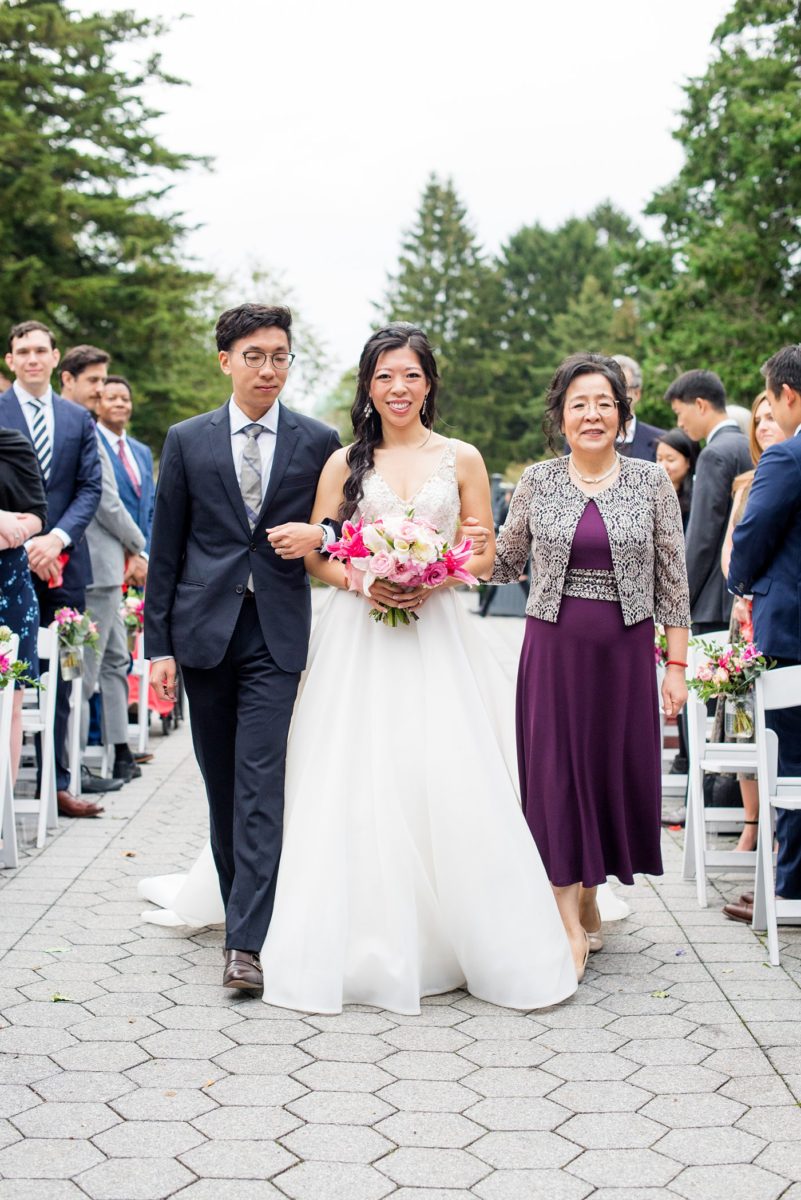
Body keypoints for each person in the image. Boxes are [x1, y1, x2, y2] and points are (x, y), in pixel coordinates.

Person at [141, 323, 577, 1012]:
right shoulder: (343, 460)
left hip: (437, 634)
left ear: (428, 382)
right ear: (367, 386)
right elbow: (319, 550)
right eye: (383, 376)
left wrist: (436, 574)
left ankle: (462, 925)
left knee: (444, 772)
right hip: (357, 631)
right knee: (344, 773)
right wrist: (362, 580)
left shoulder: (460, 457)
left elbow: (486, 555)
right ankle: (318, 927)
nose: (397, 388)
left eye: (410, 375)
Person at [144, 303, 342, 993]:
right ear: (225, 360)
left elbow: (341, 527)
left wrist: (319, 538)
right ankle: (241, 910)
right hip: (203, 633)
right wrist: (158, 646)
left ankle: (246, 944)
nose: (268, 369)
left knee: (260, 783)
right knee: (222, 785)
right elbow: (164, 549)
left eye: (279, 356)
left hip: (277, 633)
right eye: (254, 356)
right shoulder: (187, 440)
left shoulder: (317, 441)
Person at [490, 352, 690, 974]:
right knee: (555, 773)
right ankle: (563, 918)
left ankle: (589, 891)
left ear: (623, 413)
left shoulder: (650, 482)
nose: (592, 414)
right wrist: (429, 550)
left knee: (608, 772)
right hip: (553, 648)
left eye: (604, 402)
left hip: (624, 653)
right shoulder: (537, 482)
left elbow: (673, 580)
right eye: (579, 403)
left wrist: (677, 666)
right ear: (561, 416)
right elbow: (503, 562)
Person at [0, 321, 102, 818]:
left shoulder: (78, 418)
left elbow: (89, 489)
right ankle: (8, 782)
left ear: (55, 356)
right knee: (12, 677)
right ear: (10, 359)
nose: (33, 358)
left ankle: (58, 782)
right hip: (6, 567)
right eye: (24, 351)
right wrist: (24, 538)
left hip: (66, 565)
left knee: (66, 673)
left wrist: (55, 539)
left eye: (41, 350)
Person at [725, 346, 801, 924]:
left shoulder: (787, 458)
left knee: (791, 759)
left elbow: (751, 537)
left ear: (788, 396)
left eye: (771, 398)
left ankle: (790, 885)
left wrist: (740, 581)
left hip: (791, 631)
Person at [60, 345, 146, 787]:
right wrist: (141, 545)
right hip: (89, 570)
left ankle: (119, 751)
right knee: (82, 672)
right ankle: (72, 769)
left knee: (115, 661)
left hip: (108, 569)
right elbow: (105, 504)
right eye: (94, 381)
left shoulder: (88, 428)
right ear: (68, 380)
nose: (102, 389)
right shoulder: (79, 431)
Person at [717, 393, 786, 855]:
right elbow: (730, 548)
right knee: (743, 719)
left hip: (776, 608)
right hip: (744, 614)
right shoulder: (745, 483)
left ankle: (780, 828)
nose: (763, 425)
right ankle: (751, 825)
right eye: (757, 419)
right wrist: (738, 592)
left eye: (770, 416)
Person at [666, 369, 752, 635]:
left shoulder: (713, 454)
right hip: (740, 595)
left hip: (712, 601)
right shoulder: (749, 445)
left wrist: (679, 602)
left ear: (700, 405)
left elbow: (702, 536)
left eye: (680, 412)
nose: (680, 423)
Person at [0, 427, 47, 782]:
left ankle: (0, 819)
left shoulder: (13, 443)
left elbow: (36, 514)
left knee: (10, 703)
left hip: (10, 589)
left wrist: (18, 527)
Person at [97, 375, 156, 551]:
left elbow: (151, 508)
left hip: (145, 559)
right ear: (97, 405)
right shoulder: (90, 445)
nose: (120, 403)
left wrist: (145, 554)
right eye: (111, 399)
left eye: (125, 399)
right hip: (108, 555)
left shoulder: (142, 451)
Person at [611, 354, 665, 461]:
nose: (616, 395)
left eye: (623, 388)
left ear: (637, 393)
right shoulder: (583, 440)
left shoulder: (660, 440)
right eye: (611, 388)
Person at [655, 428, 699, 531]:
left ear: (688, 461)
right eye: (659, 459)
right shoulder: (650, 493)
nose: (662, 466)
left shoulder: (696, 498)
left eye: (670, 460)